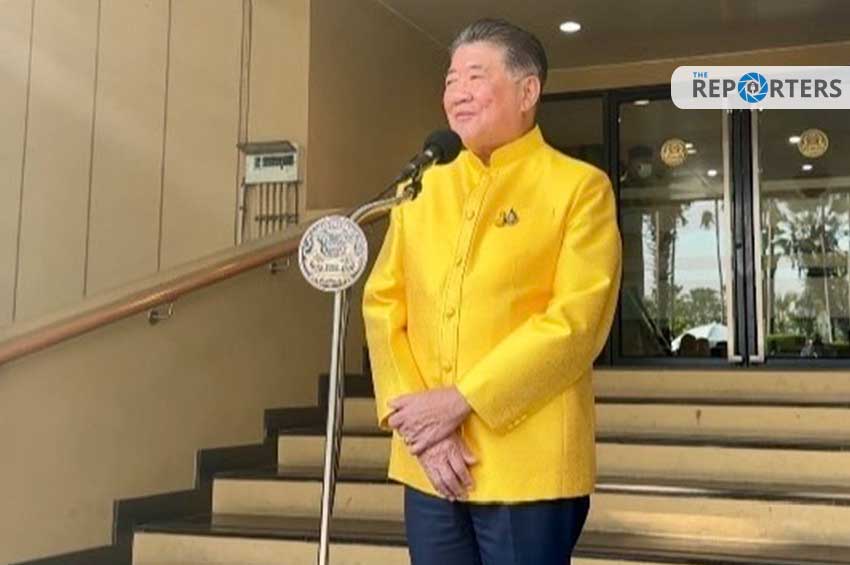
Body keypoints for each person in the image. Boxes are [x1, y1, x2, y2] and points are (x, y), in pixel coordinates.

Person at [362, 18, 622, 565]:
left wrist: (460, 402)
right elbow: (383, 305)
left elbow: (575, 322)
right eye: (450, 80)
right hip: (429, 464)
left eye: (475, 77)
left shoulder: (579, 188)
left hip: (530, 466)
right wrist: (423, 428)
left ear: (528, 92)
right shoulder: (421, 187)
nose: (457, 93)